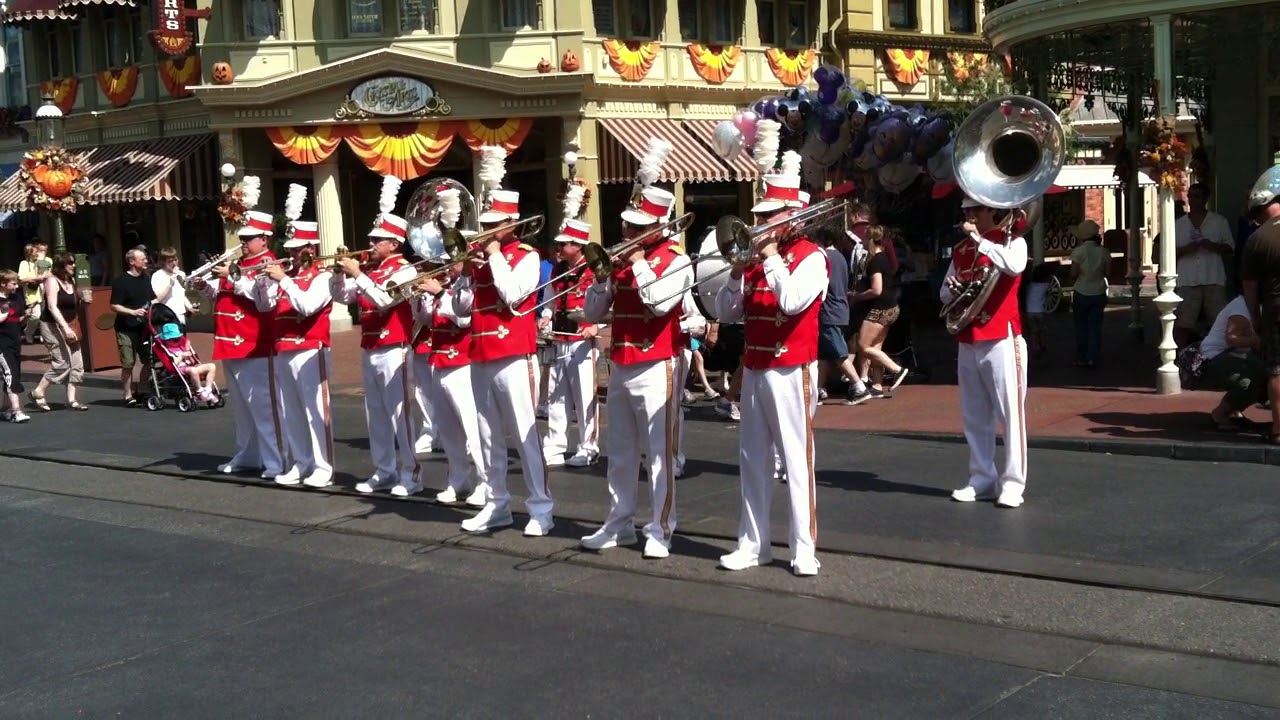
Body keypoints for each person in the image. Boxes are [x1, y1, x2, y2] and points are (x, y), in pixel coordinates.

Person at [714, 171, 828, 577]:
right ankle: (752, 543)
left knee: (797, 459)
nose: (760, 224)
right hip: (756, 368)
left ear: (792, 216)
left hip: (792, 367)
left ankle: (803, 548)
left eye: (770, 215)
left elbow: (793, 301)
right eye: (759, 216)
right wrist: (733, 270)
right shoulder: (756, 261)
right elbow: (726, 314)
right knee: (752, 459)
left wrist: (772, 258)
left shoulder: (813, 256)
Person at [580, 186, 692, 558]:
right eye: (628, 226)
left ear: (660, 226)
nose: (628, 233)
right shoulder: (623, 262)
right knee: (621, 452)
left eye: (637, 227)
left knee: (659, 455)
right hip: (622, 364)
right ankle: (619, 523)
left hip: (658, 363)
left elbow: (659, 304)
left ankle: (661, 529)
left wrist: (639, 261)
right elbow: (594, 314)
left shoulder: (677, 260)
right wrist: (600, 279)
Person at [450, 181, 554, 536]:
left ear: (511, 223)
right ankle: (497, 503)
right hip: (479, 354)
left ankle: (541, 507)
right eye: (486, 223)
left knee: (525, 436)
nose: (487, 230)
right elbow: (461, 311)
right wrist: (463, 275)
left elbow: (513, 295)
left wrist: (493, 256)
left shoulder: (527, 255)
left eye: (495, 223)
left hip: (513, 353)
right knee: (487, 436)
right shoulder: (479, 261)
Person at [331, 179, 422, 497]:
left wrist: (358, 273)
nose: (370, 243)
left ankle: (410, 474)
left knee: (400, 414)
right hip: (370, 346)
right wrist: (338, 274)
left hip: (395, 347)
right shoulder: (372, 270)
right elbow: (342, 297)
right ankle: (384, 470)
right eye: (372, 238)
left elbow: (385, 300)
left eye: (377, 239)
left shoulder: (406, 270)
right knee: (376, 414)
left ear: (394, 244)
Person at [943, 197, 1029, 508]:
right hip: (969, 337)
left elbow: (1015, 267)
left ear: (991, 210)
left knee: (1010, 414)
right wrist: (953, 288)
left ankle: (1013, 483)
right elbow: (943, 291)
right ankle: (981, 476)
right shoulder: (960, 250)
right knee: (974, 414)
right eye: (966, 211)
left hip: (1002, 335)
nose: (969, 216)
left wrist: (981, 241)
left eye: (975, 210)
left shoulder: (1013, 243)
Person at [191, 211, 285, 479]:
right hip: (230, 342)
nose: (243, 242)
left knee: (264, 406)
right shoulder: (238, 263)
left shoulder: (268, 263)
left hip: (254, 342)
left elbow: (261, 300)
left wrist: (232, 277)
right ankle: (247, 455)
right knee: (243, 407)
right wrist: (204, 287)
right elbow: (224, 294)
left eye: (249, 237)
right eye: (242, 237)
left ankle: (275, 460)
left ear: (264, 239)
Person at [258, 218, 336, 489]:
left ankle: (323, 466)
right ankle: (300, 462)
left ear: (311, 249)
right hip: (284, 349)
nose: (291, 254)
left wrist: (284, 281)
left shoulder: (323, 276)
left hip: (310, 349)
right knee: (291, 411)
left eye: (297, 249)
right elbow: (264, 306)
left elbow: (307, 306)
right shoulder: (287, 276)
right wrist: (263, 284)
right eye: (289, 249)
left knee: (315, 411)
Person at [411, 262, 487, 507]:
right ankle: (458, 480)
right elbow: (425, 319)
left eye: (451, 263)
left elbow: (464, 320)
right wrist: (418, 298)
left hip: (463, 361)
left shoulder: (471, 286)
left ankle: (486, 483)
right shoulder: (446, 287)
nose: (446, 269)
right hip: (439, 359)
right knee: (448, 429)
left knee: (472, 427)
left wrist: (441, 294)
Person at [540, 220, 601, 468]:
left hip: (582, 342)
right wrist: (546, 315)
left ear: (577, 246)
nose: (558, 247)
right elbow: (550, 299)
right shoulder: (558, 270)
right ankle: (555, 445)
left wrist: (597, 327)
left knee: (585, 396)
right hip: (559, 338)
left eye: (563, 243)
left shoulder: (595, 269)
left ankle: (589, 447)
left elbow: (609, 304)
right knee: (556, 397)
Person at [1239, 165, 1280, 444]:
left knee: (1277, 370)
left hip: (1276, 310)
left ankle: (1278, 430)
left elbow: (1250, 287)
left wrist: (1255, 317)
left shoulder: (1257, 239)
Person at [849, 225, 907, 402]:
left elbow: (876, 289)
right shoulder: (884, 259)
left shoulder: (876, 261)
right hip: (891, 307)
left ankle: (896, 369)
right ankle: (877, 385)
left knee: (863, 346)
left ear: (871, 240)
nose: (863, 243)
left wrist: (857, 297)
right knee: (875, 348)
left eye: (865, 240)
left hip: (880, 308)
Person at [1174, 182, 1234, 345]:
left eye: (1197, 196)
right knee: (1183, 323)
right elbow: (1168, 254)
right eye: (1190, 196)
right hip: (1188, 279)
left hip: (1213, 279)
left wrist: (1211, 245)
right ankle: (1180, 357)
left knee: (1219, 322)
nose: (1192, 200)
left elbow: (1230, 248)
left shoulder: (1218, 221)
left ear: (1206, 198)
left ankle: (1219, 356)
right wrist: (1187, 249)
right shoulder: (1178, 225)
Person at [30, 252, 88, 411]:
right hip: (52, 325)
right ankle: (39, 391)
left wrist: (83, 301)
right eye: (70, 263)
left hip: (71, 323)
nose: (73, 266)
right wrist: (65, 327)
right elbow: (52, 307)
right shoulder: (51, 281)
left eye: (73, 262)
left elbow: (71, 304)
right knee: (62, 362)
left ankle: (72, 400)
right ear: (61, 265)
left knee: (77, 363)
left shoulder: (71, 280)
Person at [1198, 296, 1264, 431]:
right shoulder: (1242, 307)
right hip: (1215, 357)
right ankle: (1220, 414)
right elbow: (1232, 339)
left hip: (1240, 357)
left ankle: (1232, 409)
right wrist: (1260, 342)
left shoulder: (1262, 304)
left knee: (1268, 376)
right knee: (1250, 382)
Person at [109, 248, 156, 405]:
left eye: (145, 259)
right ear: (132, 262)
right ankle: (127, 394)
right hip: (126, 328)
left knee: (149, 360)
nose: (146, 261)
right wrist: (133, 312)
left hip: (144, 327)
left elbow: (152, 300)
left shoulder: (145, 278)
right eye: (142, 259)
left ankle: (142, 390)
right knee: (128, 363)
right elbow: (114, 305)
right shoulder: (120, 281)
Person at [1069, 219, 1110, 368]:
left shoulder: (1078, 252)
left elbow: (1073, 273)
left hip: (1081, 290)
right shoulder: (1104, 252)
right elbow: (1108, 273)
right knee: (1095, 326)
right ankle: (1093, 357)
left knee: (1081, 327)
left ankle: (1081, 357)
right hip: (1098, 290)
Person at [154, 322, 218, 402]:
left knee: (211, 366)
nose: (174, 341)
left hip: (190, 366)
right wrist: (181, 356)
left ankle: (208, 390)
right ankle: (199, 391)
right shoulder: (166, 350)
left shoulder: (181, 346)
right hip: (179, 369)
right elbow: (171, 365)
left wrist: (190, 354)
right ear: (166, 340)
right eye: (171, 339)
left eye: (176, 339)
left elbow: (193, 360)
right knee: (193, 370)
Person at [0, 270, 31, 423]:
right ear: (3, 284)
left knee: (14, 374)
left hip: (15, 342)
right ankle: (16, 411)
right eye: (13, 283)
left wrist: (27, 316)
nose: (16, 286)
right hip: (2, 344)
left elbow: (18, 319)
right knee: (10, 374)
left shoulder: (16, 298)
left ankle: (6, 409)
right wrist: (4, 313)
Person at [151, 247, 195, 331]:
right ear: (163, 262)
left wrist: (190, 307)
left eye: (175, 260)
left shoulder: (181, 274)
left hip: (180, 315)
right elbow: (158, 298)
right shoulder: (157, 275)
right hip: (166, 316)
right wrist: (170, 284)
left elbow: (181, 294)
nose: (174, 263)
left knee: (182, 342)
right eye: (170, 261)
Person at [17, 242, 49, 344]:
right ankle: (28, 332)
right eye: (35, 251)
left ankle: (44, 334)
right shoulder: (24, 263)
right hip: (32, 292)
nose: (37, 253)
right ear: (29, 253)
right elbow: (21, 278)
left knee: (44, 315)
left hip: (43, 292)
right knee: (36, 315)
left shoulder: (39, 262)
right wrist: (37, 278)